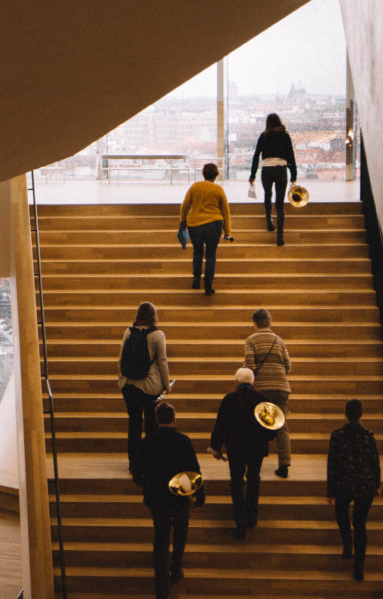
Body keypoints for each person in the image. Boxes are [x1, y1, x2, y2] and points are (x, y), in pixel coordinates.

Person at [138, 401, 200, 599]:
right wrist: (199, 498)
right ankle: (176, 569)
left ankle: (161, 588)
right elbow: (194, 471)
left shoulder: (147, 441)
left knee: (161, 538)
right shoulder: (184, 441)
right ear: (174, 418)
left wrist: (148, 487)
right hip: (179, 496)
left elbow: (138, 473)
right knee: (180, 533)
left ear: (156, 419)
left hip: (157, 497)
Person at [208, 367, 275, 539]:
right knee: (254, 478)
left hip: (235, 447)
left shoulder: (229, 399)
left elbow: (220, 425)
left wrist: (215, 446)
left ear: (236, 382)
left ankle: (240, 522)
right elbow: (272, 427)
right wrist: (267, 438)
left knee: (236, 482)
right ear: (253, 382)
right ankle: (252, 516)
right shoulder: (263, 399)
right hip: (256, 447)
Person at [326, 398, 381, 582]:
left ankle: (347, 544)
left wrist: (330, 490)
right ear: (361, 414)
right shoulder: (368, 435)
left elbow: (332, 464)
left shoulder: (337, 435)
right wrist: (377, 484)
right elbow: (375, 462)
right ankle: (359, 567)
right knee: (360, 525)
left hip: (343, 484)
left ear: (346, 414)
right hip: (365, 485)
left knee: (342, 516)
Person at [117, 301, 171, 479]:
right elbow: (162, 362)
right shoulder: (158, 335)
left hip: (129, 385)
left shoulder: (128, 331)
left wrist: (123, 377)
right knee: (150, 424)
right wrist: (166, 385)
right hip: (149, 386)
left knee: (134, 423)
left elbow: (120, 357)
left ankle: (133, 462)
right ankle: (150, 460)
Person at [244, 307, 292, 478]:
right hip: (281, 388)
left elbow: (250, 367)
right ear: (269, 322)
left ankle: (254, 465)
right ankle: (284, 465)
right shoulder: (280, 341)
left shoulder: (251, 340)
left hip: (261, 390)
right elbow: (288, 366)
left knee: (256, 426)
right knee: (282, 427)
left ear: (255, 323)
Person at [179, 162, 232, 295]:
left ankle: (196, 279)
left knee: (197, 252)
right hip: (214, 224)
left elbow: (185, 206)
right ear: (216, 175)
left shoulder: (195, 186)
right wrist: (227, 231)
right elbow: (226, 212)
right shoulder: (218, 189)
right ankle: (208, 285)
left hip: (195, 224)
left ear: (203, 174)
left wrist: (183, 221)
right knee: (210, 255)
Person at [248, 113, 297, 246]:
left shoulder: (264, 136)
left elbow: (256, 155)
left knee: (268, 195)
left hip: (267, 170)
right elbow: (291, 156)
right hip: (281, 169)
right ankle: (280, 237)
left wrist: (252, 175)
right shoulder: (285, 136)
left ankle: (269, 221)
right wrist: (294, 174)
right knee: (280, 204)